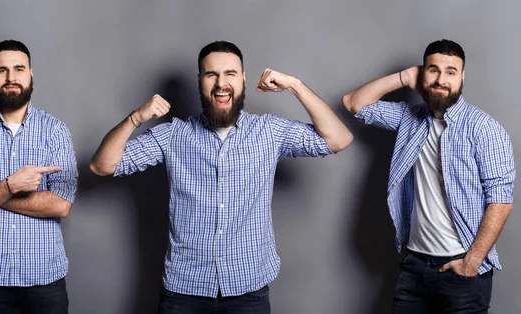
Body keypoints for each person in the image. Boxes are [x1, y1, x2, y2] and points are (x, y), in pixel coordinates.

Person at [90, 40, 353, 313]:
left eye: (230, 74)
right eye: (211, 74)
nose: (221, 83)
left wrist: (295, 85)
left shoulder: (268, 132)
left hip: (248, 292)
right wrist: (135, 118)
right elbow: (102, 166)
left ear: (243, 80)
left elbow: (339, 139)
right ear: (200, 81)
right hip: (184, 292)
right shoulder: (172, 135)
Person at [343, 39, 515, 314]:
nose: (442, 79)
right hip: (413, 267)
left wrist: (471, 263)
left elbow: (501, 202)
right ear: (423, 74)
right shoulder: (409, 118)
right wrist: (404, 76)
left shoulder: (484, 129)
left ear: (462, 77)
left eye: (450, 72)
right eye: (433, 70)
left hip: (461, 273)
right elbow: (353, 104)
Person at [0, 39, 78, 314]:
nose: (11, 78)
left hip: (44, 279)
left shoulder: (55, 131)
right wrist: (11, 185)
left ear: (31, 73)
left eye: (19, 69)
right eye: (2, 70)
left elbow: (61, 205)